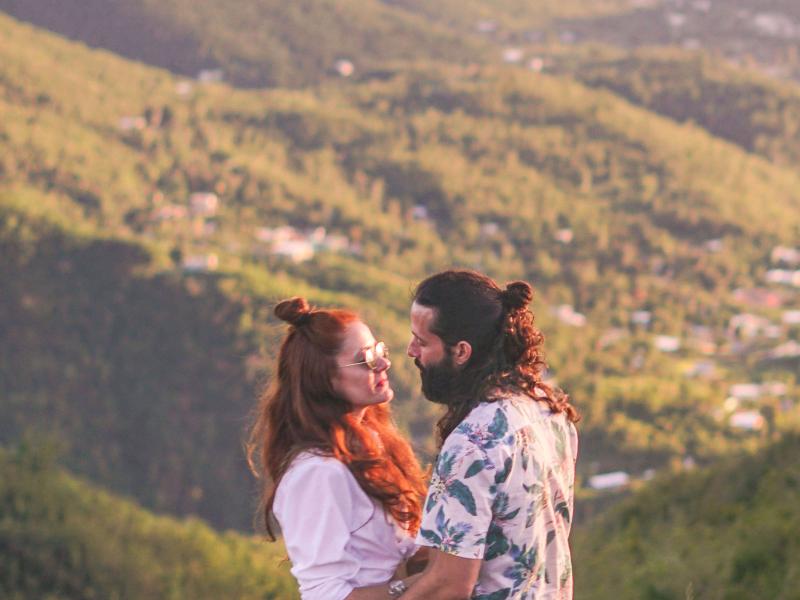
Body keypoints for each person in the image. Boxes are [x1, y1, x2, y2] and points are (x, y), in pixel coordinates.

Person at [393, 269, 580, 599]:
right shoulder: (548, 409)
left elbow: (449, 585)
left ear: (462, 352)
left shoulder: (473, 443)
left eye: (422, 342)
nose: (411, 351)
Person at [246, 297, 428, 600]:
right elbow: (326, 594)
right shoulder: (318, 472)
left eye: (379, 350)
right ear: (325, 379)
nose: (384, 363)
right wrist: (417, 586)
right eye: (367, 358)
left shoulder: (371, 441)